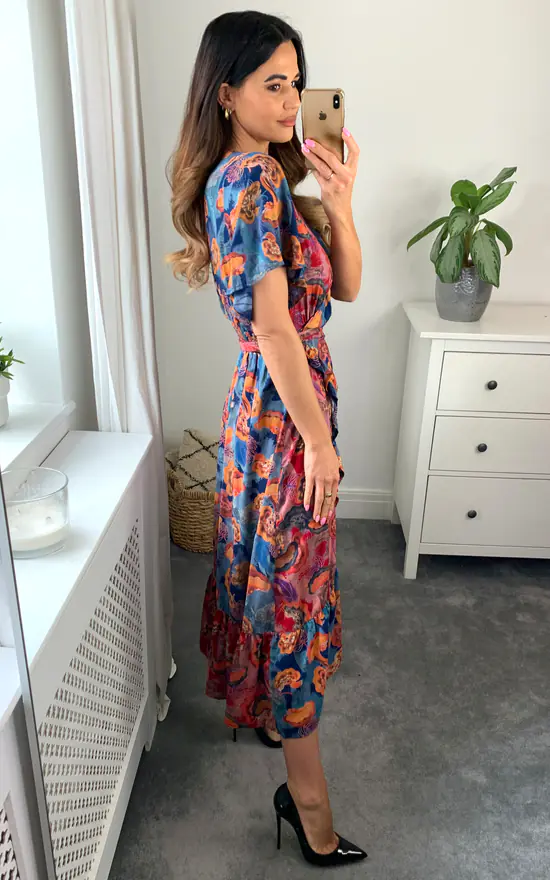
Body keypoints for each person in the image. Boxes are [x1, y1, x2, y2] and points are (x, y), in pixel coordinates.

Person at [167, 10, 365, 868]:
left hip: (277, 407)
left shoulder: (265, 178)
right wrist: (318, 444)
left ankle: (271, 727)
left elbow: (344, 289)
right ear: (227, 94)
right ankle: (309, 804)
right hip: (286, 419)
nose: (291, 101)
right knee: (293, 591)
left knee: (276, 573)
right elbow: (278, 330)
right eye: (272, 84)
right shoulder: (248, 182)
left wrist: (342, 203)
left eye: (298, 83)